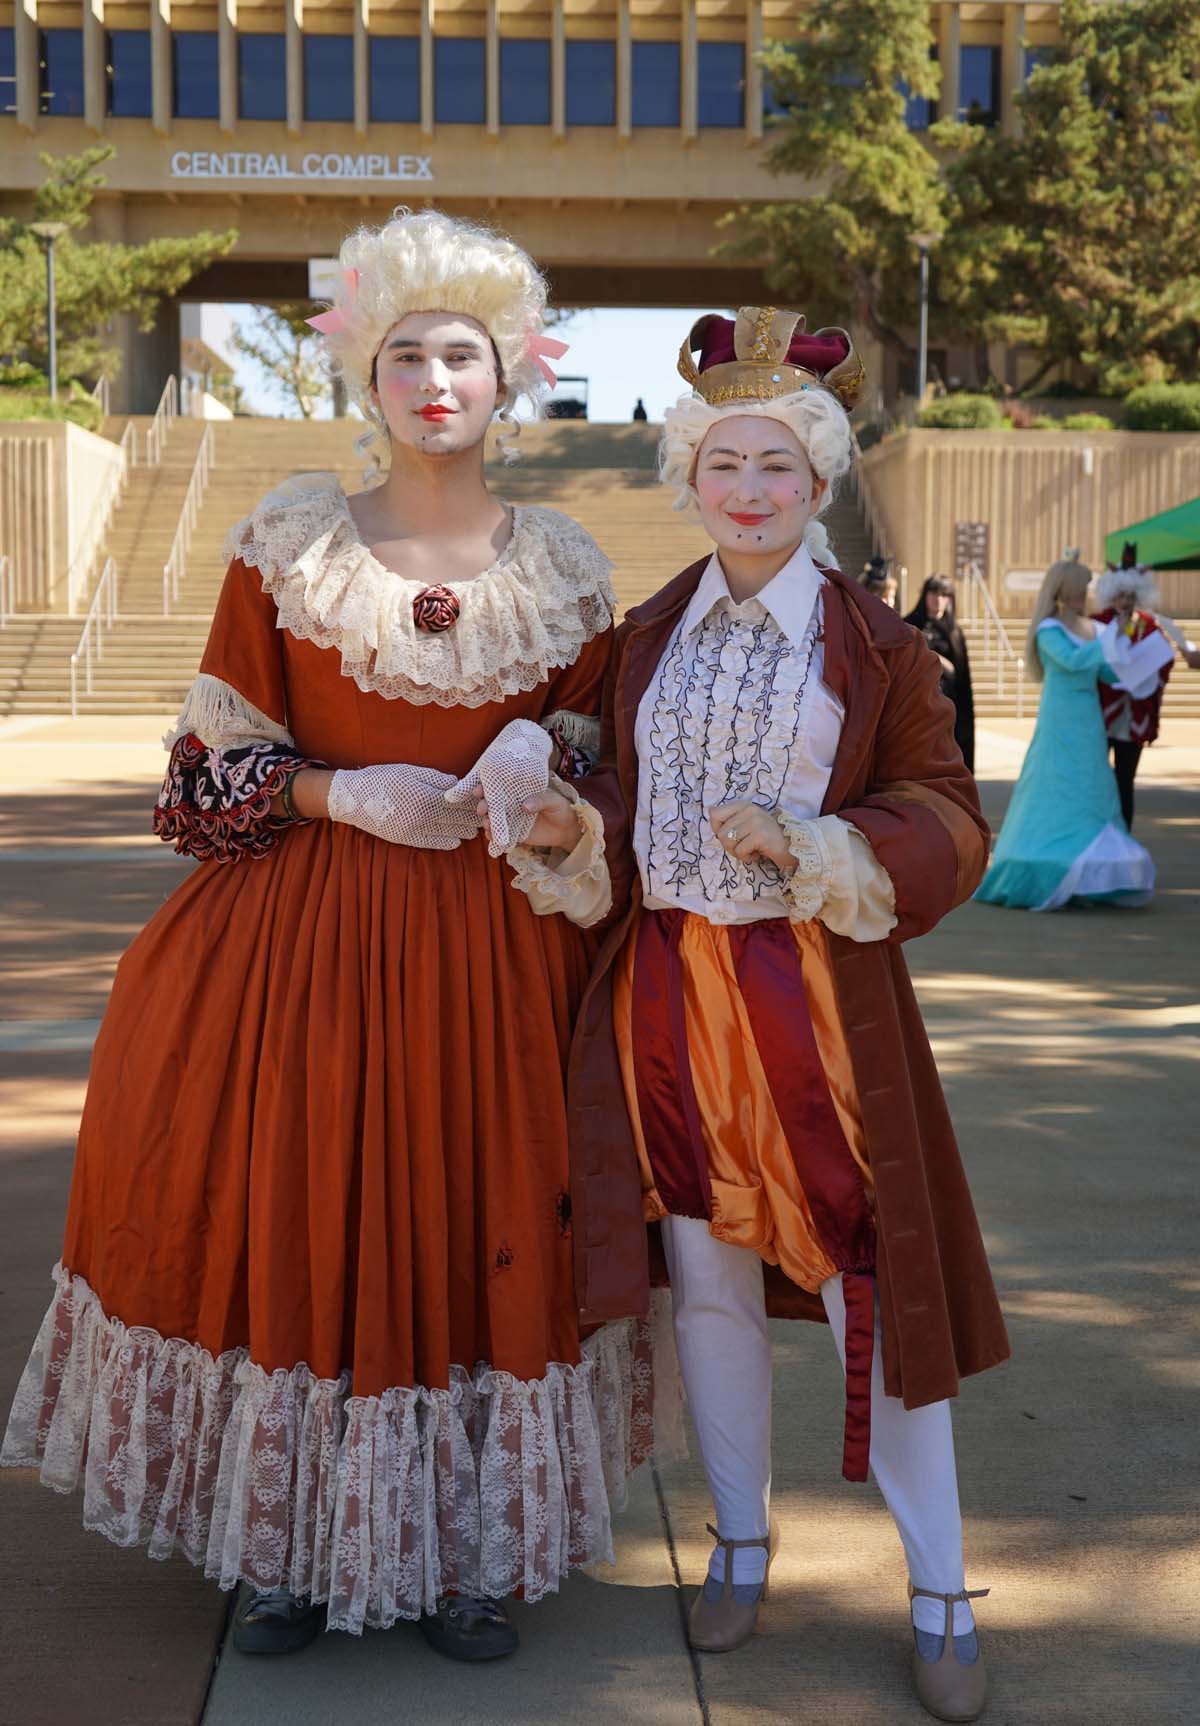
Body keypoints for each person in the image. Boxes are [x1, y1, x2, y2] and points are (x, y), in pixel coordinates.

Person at [2, 210, 679, 1658]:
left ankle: (465, 1553)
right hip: (299, 950)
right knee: (303, 1211)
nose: (438, 377)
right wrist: (335, 789)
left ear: (516, 380)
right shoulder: (290, 545)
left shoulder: (565, 567)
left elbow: (599, 750)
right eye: (408, 354)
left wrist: (544, 773)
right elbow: (195, 781)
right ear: (365, 381)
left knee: (481, 1221)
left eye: (466, 354)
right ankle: (291, 1541)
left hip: (494, 959)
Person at [506, 306, 1010, 1723]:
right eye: (724, 460)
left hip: (820, 1005)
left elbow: (947, 815)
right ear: (687, 472)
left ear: (820, 480)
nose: (747, 489)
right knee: (710, 1279)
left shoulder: (882, 647)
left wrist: (822, 841)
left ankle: (941, 1583)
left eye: (777, 464)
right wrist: (567, 819)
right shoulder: (641, 634)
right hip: (667, 995)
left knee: (882, 1280)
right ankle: (738, 1537)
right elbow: (614, 794)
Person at [975, 555, 1174, 910]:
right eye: (1082, 587)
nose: (1088, 592)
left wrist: (1141, 655)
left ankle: (1086, 878)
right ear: (1066, 588)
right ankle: (1049, 865)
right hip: (1060, 720)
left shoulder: (1094, 628)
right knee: (1055, 786)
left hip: (1089, 720)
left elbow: (1109, 673)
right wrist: (1113, 637)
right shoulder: (1048, 629)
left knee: (1093, 787)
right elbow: (1075, 661)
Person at [1092, 545, 1199, 829]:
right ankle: (1095, 834)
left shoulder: (1151, 625)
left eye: (1131, 595)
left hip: (1135, 715)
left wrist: (1148, 667)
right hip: (1101, 713)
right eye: (1121, 594)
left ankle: (1123, 836)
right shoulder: (1098, 623)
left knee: (1125, 780)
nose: (1126, 601)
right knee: (1097, 781)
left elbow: (1165, 660)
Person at [905, 575, 976, 773]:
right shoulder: (909, 626)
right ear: (925, 595)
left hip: (947, 706)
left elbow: (961, 677)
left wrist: (937, 660)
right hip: (917, 707)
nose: (938, 599)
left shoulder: (954, 633)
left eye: (944, 594)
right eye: (934, 593)